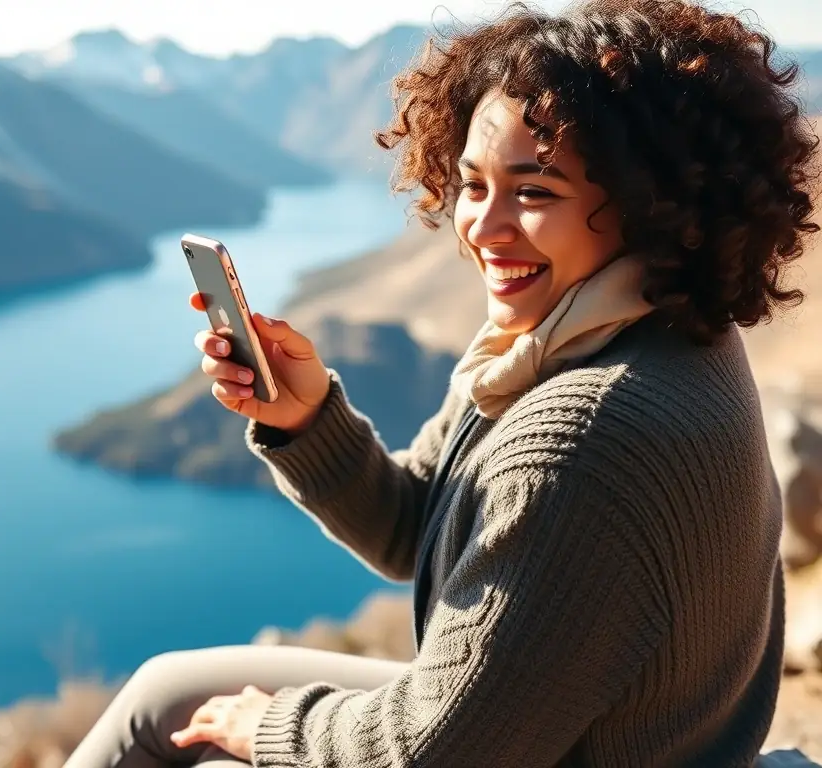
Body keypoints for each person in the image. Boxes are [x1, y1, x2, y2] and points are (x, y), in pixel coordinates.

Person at [64, 0, 821, 766]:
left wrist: (267, 728)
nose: (483, 229)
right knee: (169, 691)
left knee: (194, 743)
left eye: (534, 192)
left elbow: (435, 753)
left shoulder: (580, 438)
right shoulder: (616, 333)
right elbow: (417, 530)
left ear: (649, 207)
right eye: (472, 184)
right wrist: (306, 419)